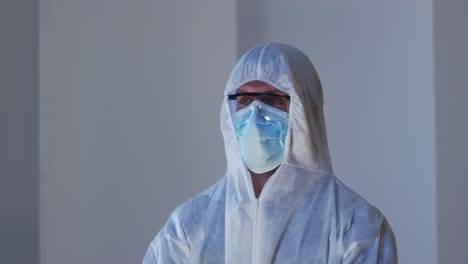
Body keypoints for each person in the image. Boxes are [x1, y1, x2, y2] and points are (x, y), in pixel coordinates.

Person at [143, 43, 397, 263]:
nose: (255, 114)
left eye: (273, 100)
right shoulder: (188, 226)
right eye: (244, 101)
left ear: (307, 111)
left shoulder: (356, 227)